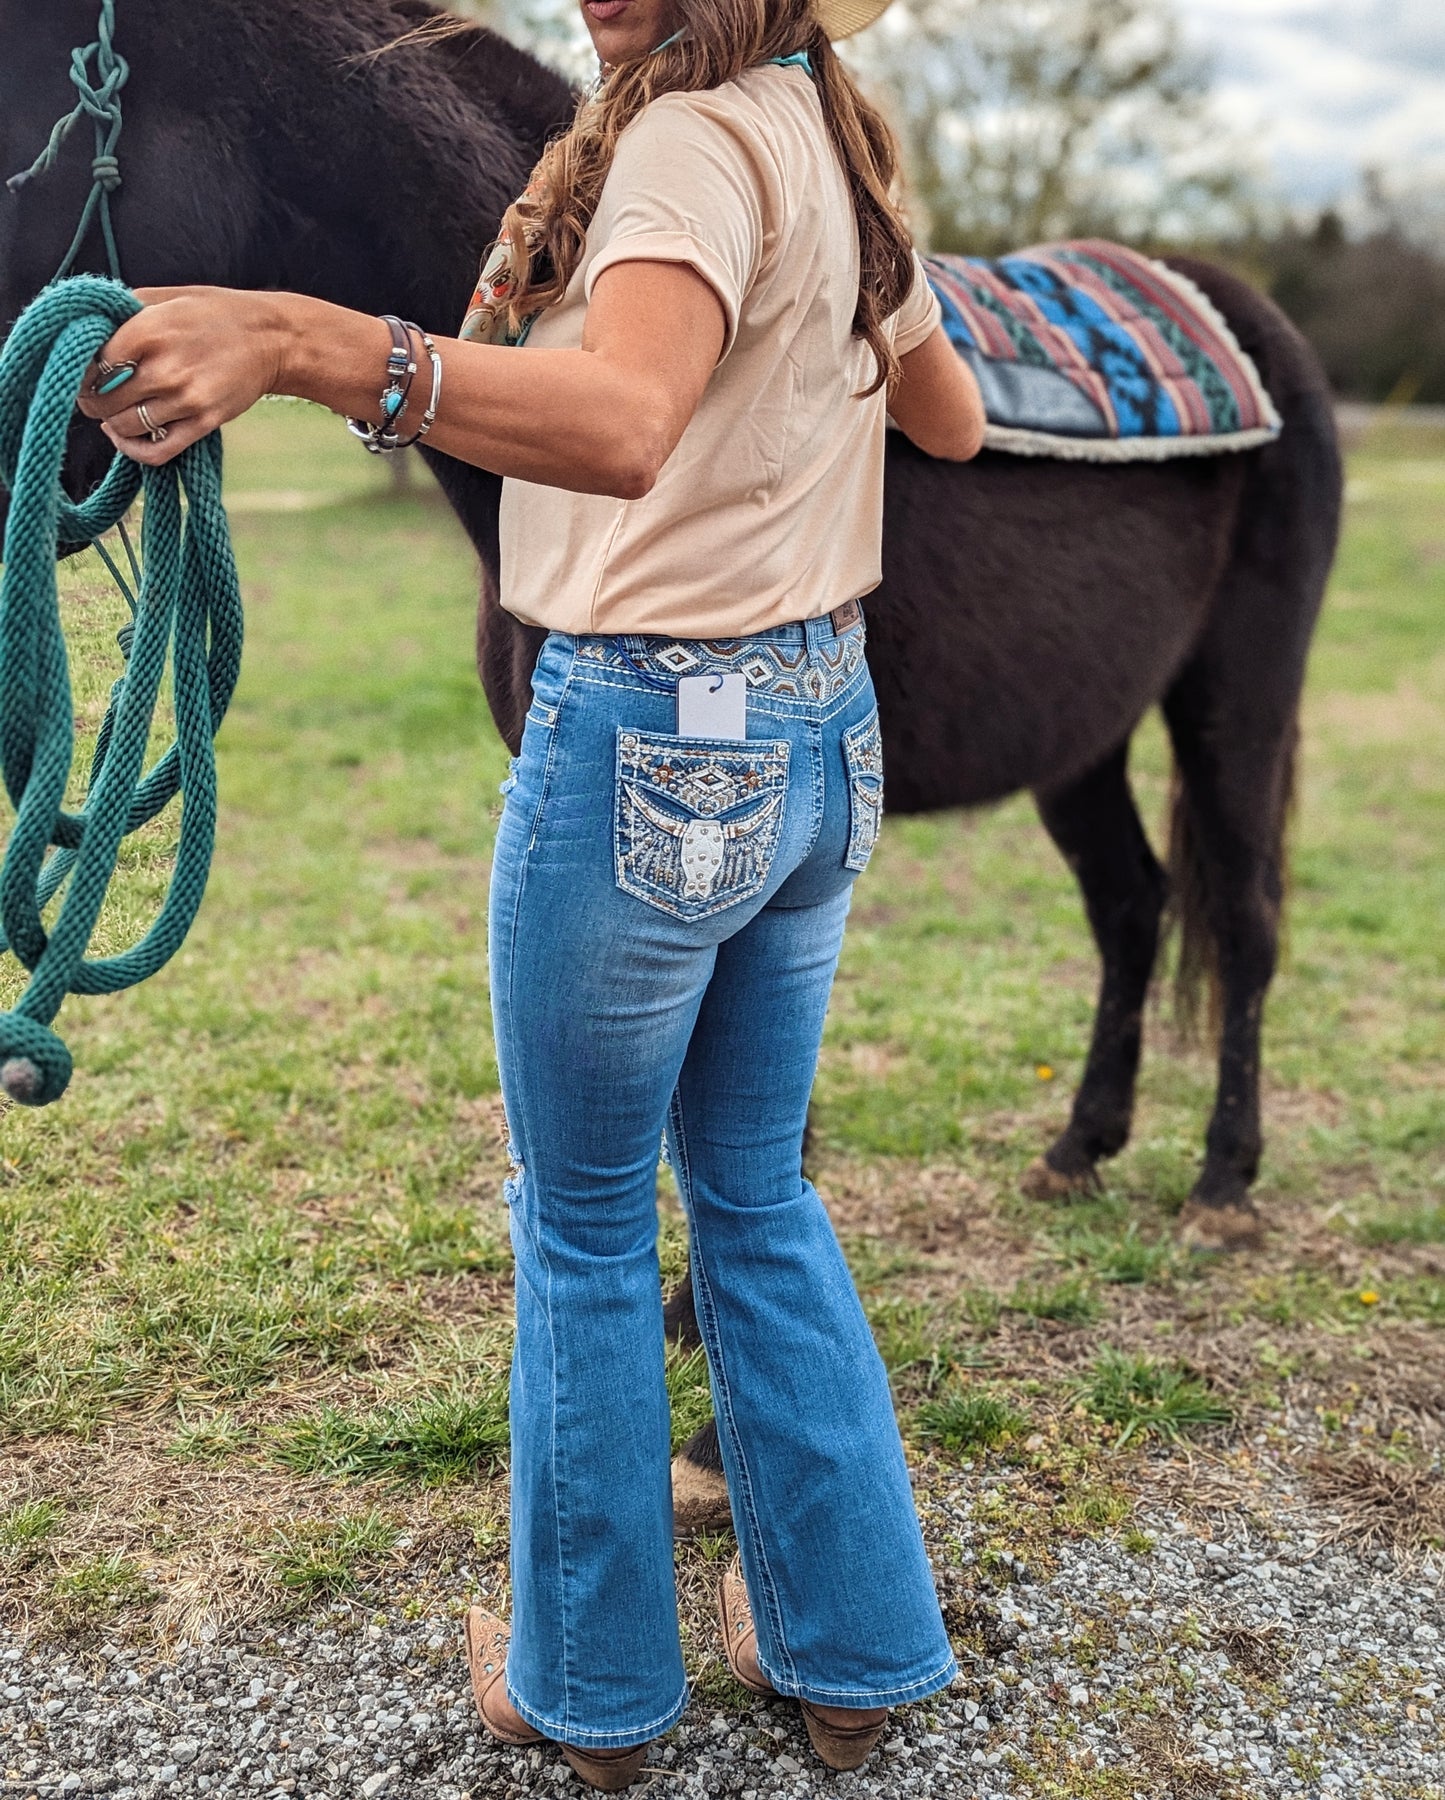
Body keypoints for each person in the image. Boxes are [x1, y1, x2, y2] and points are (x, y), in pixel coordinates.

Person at [80, 0, 985, 1786]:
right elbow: (944, 421)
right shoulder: (838, 142)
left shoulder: (684, 145)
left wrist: (305, 339)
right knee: (752, 1198)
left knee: (579, 1227)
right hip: (814, 724)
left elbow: (626, 420)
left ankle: (586, 1695)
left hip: (648, 725)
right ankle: (856, 1652)